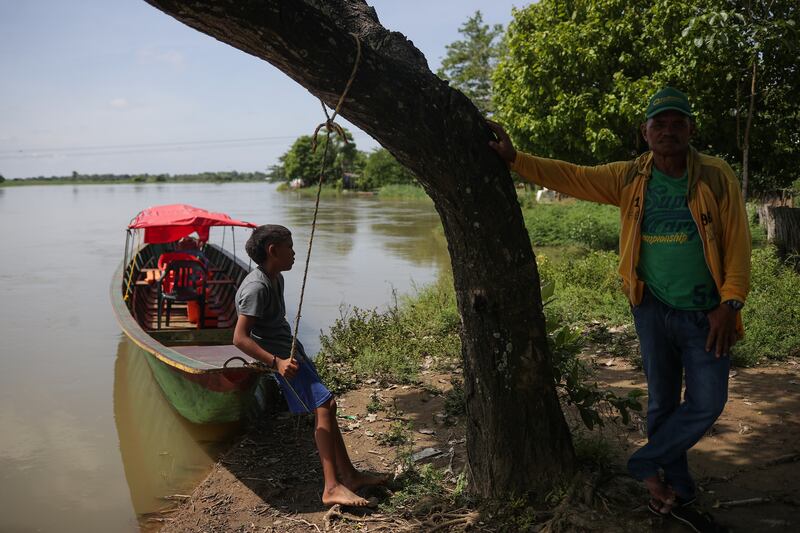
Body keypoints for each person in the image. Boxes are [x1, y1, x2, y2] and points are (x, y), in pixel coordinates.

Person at [488, 87, 750, 530]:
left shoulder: (716, 176)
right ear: (645, 132)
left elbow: (740, 246)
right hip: (650, 308)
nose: (668, 131)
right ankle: (675, 490)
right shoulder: (630, 177)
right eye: (659, 124)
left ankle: (643, 463)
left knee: (708, 401)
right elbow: (572, 175)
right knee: (662, 403)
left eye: (677, 123)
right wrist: (516, 158)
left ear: (691, 130)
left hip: (707, 313)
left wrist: (731, 302)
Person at [233, 224, 386, 507]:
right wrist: (276, 363)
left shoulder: (275, 276)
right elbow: (240, 338)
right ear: (273, 251)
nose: (294, 253)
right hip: (281, 359)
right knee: (324, 405)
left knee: (328, 405)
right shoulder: (256, 287)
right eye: (289, 247)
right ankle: (331, 487)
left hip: (290, 353)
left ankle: (349, 476)